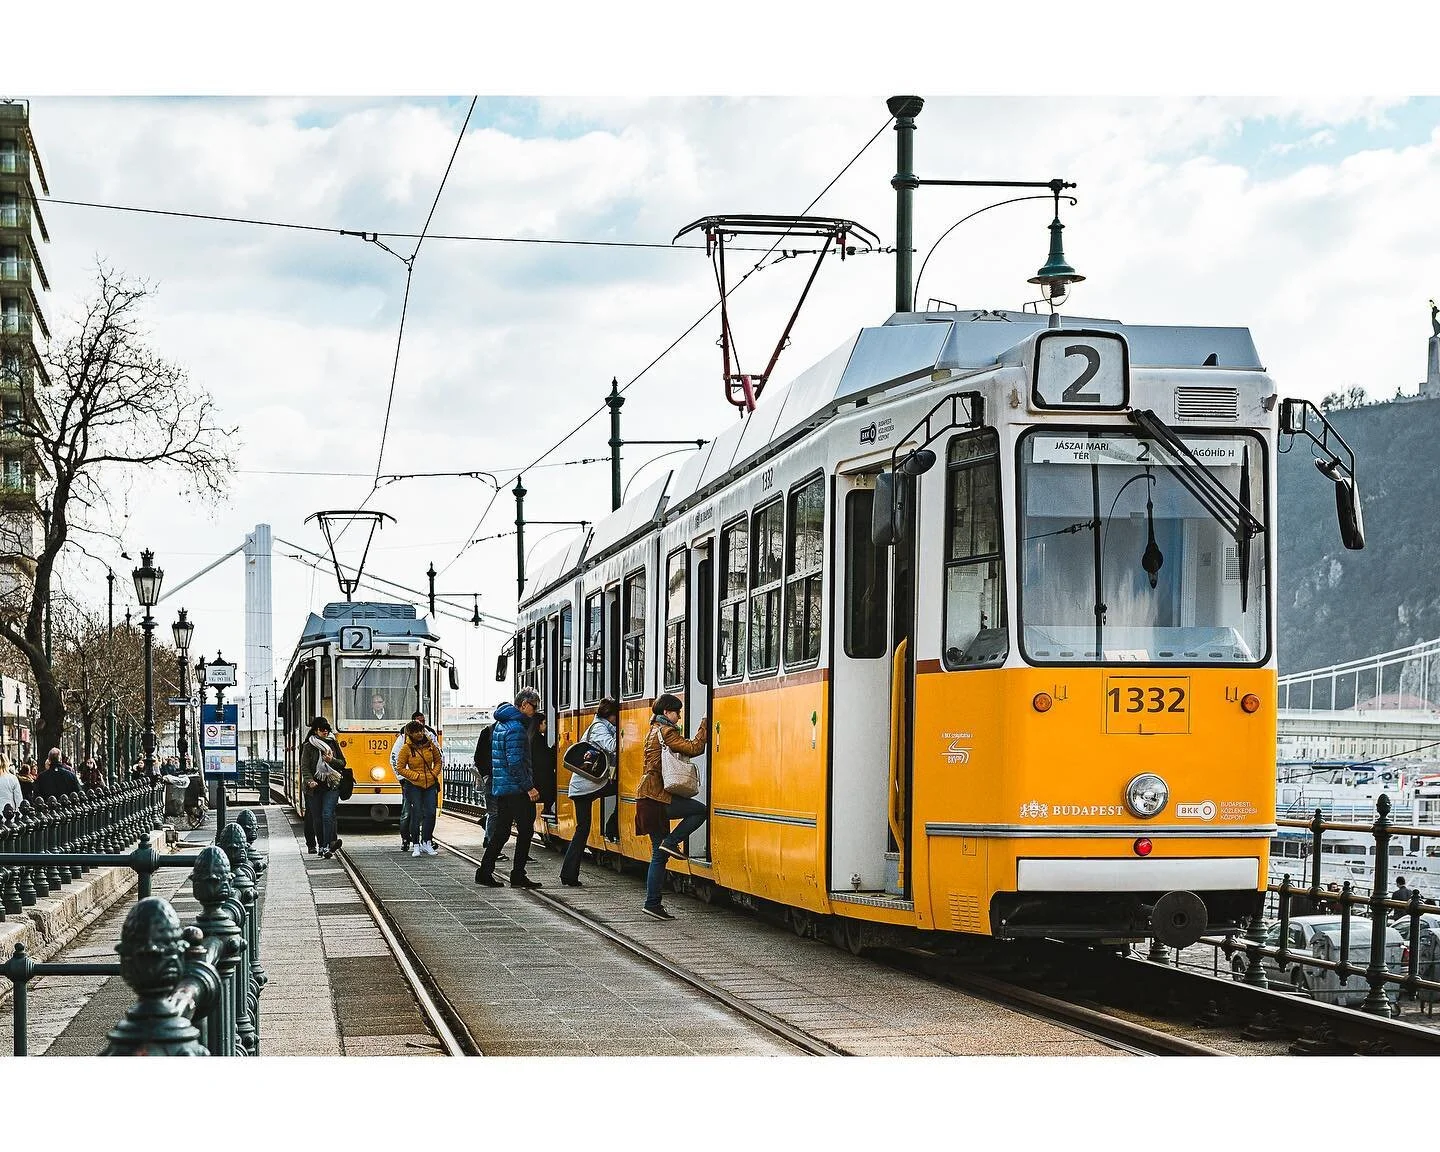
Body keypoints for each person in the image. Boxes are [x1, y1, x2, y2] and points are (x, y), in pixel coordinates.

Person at [636, 694, 709, 920]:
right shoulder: (666, 732)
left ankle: (652, 903)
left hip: (648, 799)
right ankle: (672, 842)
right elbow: (695, 748)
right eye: (677, 712)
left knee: (658, 856)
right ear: (667, 712)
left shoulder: (652, 732)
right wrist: (705, 723)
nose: (679, 716)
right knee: (699, 810)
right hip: (656, 801)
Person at [474, 688, 542, 889]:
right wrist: (529, 787)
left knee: (502, 832)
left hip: (503, 788)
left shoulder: (501, 725)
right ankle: (518, 874)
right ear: (523, 705)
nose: (535, 711)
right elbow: (515, 762)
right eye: (534, 706)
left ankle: (484, 872)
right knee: (525, 831)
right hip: (517, 789)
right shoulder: (516, 728)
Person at [559, 698, 619, 887]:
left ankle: (568, 874)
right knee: (623, 790)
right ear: (611, 715)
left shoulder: (601, 726)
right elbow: (613, 746)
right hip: (586, 787)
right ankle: (612, 826)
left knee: (582, 829)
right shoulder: (600, 728)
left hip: (585, 787)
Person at [391, 711, 437, 852]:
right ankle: (406, 838)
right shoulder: (403, 739)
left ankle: (427, 839)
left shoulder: (430, 736)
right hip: (410, 782)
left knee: (429, 812)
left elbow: (439, 757)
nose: (421, 725)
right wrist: (405, 778)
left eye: (422, 722)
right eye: (418, 722)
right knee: (408, 812)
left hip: (429, 781)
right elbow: (395, 760)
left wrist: (433, 774)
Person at [301, 716, 346, 859]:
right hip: (314, 787)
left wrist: (331, 760)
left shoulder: (333, 743)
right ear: (315, 731)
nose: (325, 732)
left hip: (331, 785)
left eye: (327, 730)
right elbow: (305, 767)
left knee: (327, 814)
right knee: (317, 818)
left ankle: (327, 846)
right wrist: (309, 781)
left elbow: (342, 763)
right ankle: (320, 844)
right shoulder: (308, 746)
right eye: (322, 730)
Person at [532, 713, 558, 825]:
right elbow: (546, 758)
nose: (546, 726)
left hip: (535, 775)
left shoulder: (531, 737)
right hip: (541, 777)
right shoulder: (538, 739)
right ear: (539, 724)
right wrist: (554, 750)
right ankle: (547, 808)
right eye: (545, 723)